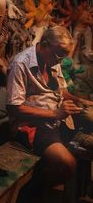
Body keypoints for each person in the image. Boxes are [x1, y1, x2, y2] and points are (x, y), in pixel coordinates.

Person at [7, 26, 93, 186]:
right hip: (34, 126)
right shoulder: (21, 64)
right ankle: (40, 186)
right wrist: (56, 114)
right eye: (59, 54)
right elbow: (14, 108)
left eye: (63, 55)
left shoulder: (54, 58)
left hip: (58, 119)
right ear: (44, 44)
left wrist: (81, 101)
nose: (61, 60)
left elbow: (63, 92)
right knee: (68, 164)